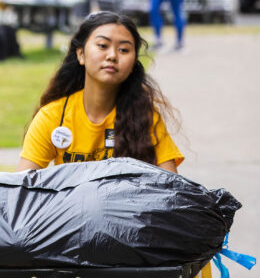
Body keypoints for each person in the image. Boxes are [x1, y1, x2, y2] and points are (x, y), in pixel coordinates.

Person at [17, 11, 183, 173]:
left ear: (133, 63)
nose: (112, 56)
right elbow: (20, 188)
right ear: (81, 54)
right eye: (103, 46)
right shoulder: (52, 116)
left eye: (124, 50)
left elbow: (171, 189)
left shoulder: (144, 117)